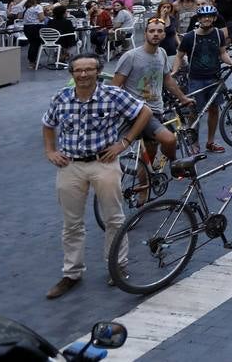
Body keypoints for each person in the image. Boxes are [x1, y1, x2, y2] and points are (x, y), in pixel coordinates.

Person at [41, 53, 151, 299]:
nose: (83, 75)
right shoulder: (61, 97)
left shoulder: (112, 95)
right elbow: (48, 124)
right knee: (72, 223)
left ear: (97, 72)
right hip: (71, 165)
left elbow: (144, 112)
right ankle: (71, 273)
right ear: (72, 73)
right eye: (78, 70)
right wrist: (50, 151)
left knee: (114, 219)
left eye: (89, 69)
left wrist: (124, 142)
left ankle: (117, 267)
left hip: (104, 163)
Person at [110, 20, 193, 192]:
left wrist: (182, 97)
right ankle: (174, 164)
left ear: (164, 34)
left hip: (156, 110)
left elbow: (168, 80)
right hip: (137, 111)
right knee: (169, 139)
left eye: (159, 31)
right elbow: (114, 87)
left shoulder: (162, 53)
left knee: (149, 154)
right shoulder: (131, 56)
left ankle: (147, 185)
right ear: (145, 33)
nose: (155, 34)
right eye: (152, 31)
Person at [174, 5, 232, 154]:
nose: (207, 19)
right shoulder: (189, 37)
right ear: (199, 19)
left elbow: (222, 53)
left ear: (214, 18)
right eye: (203, 17)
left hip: (214, 78)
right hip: (196, 80)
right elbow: (179, 55)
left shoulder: (219, 34)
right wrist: (174, 71)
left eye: (210, 16)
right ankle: (194, 144)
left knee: (213, 110)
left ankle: (210, 142)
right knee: (194, 112)